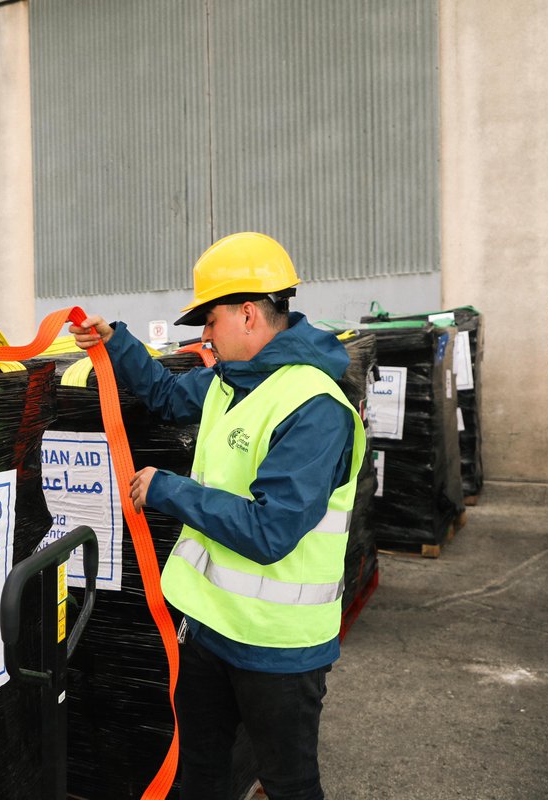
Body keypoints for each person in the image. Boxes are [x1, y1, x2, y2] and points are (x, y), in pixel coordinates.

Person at [70, 232, 365, 800]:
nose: (204, 335)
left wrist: (167, 490)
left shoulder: (314, 408)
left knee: (290, 784)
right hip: (210, 630)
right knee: (200, 775)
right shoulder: (230, 383)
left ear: (249, 314)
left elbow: (270, 530)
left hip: (279, 650)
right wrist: (113, 342)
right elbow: (164, 394)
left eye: (210, 320)